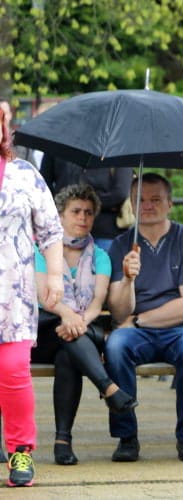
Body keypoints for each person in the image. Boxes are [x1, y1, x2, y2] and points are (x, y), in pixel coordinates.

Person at [105, 172, 183, 462]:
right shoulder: (120, 245)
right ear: (130, 203)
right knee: (116, 346)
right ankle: (126, 437)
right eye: (140, 199)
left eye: (155, 199)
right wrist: (127, 279)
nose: (147, 205)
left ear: (170, 203)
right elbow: (119, 312)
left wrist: (140, 320)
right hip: (137, 332)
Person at [32, 184, 138, 466]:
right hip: (40, 333)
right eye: (76, 211)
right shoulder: (40, 250)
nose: (83, 218)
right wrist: (67, 315)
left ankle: (62, 442)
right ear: (60, 216)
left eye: (89, 213)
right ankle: (108, 388)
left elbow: (97, 303)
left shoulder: (100, 256)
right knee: (72, 339)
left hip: (76, 333)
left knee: (69, 353)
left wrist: (78, 321)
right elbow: (45, 298)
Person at [0, 105, 64, 487]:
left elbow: (52, 231)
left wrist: (54, 275)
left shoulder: (24, 174)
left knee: (12, 371)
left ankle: (20, 452)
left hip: (14, 298)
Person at [41, 156, 134, 251]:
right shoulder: (59, 145)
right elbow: (43, 186)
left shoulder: (116, 148)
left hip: (105, 232)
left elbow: (120, 192)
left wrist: (84, 203)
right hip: (63, 230)